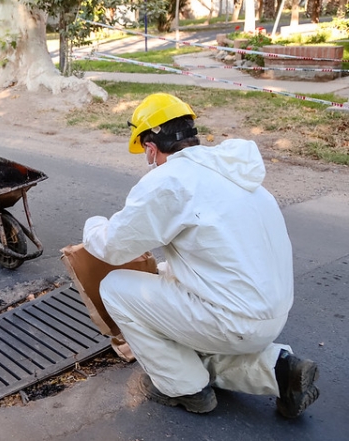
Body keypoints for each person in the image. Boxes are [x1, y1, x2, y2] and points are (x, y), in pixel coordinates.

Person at [82, 93, 319, 418]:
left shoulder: (169, 181)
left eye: (146, 153)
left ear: (151, 148)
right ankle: (279, 370)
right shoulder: (232, 170)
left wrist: (93, 225)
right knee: (165, 274)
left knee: (114, 288)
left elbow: (113, 247)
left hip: (235, 320)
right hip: (272, 312)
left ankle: (185, 387)